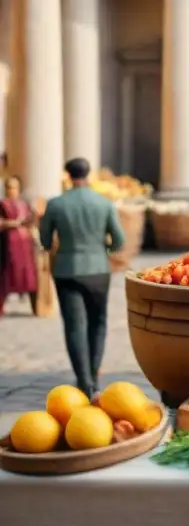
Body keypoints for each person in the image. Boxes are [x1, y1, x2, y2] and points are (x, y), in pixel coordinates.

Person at [39, 157, 126, 398]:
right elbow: (119, 240)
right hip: (98, 269)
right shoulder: (104, 203)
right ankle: (94, 376)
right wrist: (101, 250)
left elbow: (45, 241)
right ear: (89, 174)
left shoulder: (56, 204)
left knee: (74, 325)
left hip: (67, 269)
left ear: (67, 175)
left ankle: (83, 381)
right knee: (98, 323)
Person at [0, 176, 38, 317]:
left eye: (15, 187)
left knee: (28, 274)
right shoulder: (2, 204)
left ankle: (36, 306)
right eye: (9, 187)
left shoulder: (25, 204)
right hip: (8, 242)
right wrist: (14, 223)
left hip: (25, 243)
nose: (12, 190)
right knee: (7, 273)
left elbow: (30, 221)